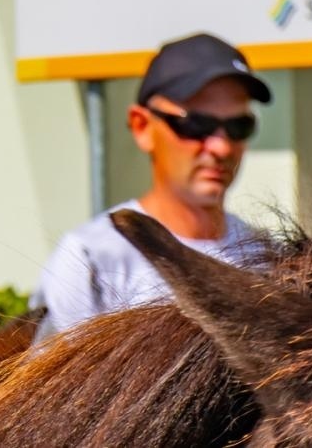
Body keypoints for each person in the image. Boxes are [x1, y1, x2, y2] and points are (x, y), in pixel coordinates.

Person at [30, 32, 269, 345]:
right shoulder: (91, 259)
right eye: (196, 124)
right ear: (142, 127)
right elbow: (58, 390)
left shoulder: (266, 256)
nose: (221, 147)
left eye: (239, 127)